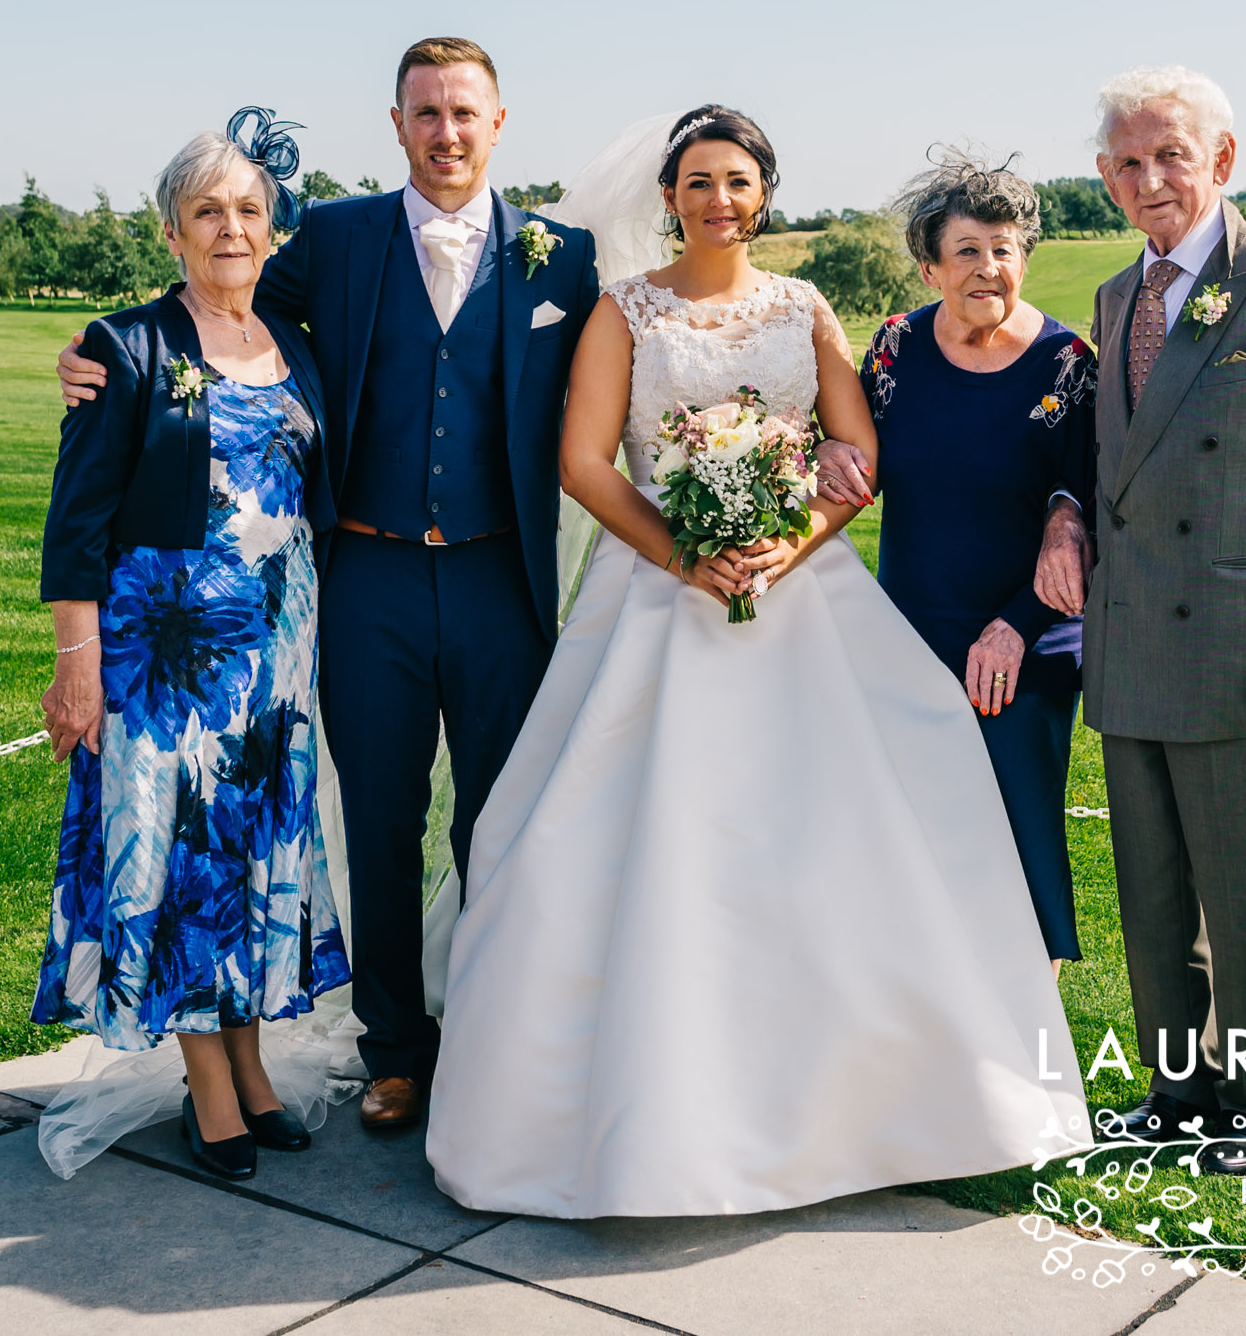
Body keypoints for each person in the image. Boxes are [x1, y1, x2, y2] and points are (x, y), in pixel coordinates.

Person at [425, 106, 1086, 1219]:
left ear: (763, 193)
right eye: (698, 180)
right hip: (656, 600)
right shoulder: (623, 311)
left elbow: (855, 450)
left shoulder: (804, 306)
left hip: (800, 598)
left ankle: (858, 1104)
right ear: (670, 195)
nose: (718, 198)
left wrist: (788, 544)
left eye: (737, 179)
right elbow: (585, 462)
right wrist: (686, 554)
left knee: (839, 837)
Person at [59, 39, 600, 1133]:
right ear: (395, 126)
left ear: (499, 124)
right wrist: (96, 354)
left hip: (503, 577)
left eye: (464, 111)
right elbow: (216, 289)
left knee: (500, 822)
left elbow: (624, 372)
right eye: (424, 113)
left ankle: (499, 1042)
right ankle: (397, 1049)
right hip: (368, 578)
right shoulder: (342, 237)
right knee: (381, 823)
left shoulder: (564, 258)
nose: (445, 131)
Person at [1035, 66, 1246, 1177]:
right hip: (1131, 646)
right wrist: (1064, 522)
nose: (1150, 179)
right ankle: (1176, 1091)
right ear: (1103, 180)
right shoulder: (1109, 297)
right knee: (1153, 900)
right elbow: (1107, 468)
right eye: (1127, 163)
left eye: (1170, 155)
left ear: (1221, 161)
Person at [36, 117, 349, 1181]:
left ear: (273, 229)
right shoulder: (126, 346)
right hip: (166, 665)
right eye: (207, 210)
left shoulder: (290, 343)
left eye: (248, 210)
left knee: (256, 860)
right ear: (173, 228)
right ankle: (207, 1087)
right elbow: (76, 519)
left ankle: (253, 1069)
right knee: (181, 865)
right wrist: (76, 658)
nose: (230, 228)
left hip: (275, 661)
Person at [814, 151, 1093, 970]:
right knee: (910, 847)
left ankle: (1025, 1055)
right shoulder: (896, 347)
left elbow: (1095, 510)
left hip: (1027, 647)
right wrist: (831, 449)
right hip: (906, 641)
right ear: (930, 264)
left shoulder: (1068, 363)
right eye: (967, 250)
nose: (988, 267)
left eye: (1005, 248)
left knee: (1016, 850)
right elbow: (855, 447)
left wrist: (1016, 626)